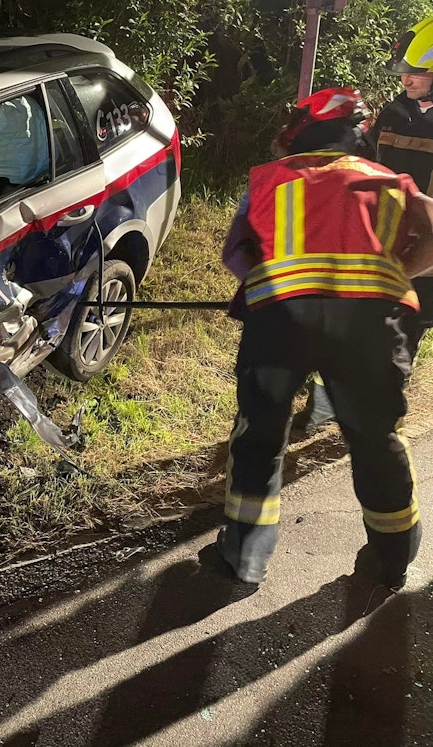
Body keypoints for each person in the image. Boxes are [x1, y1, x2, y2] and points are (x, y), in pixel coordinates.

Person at [217, 87, 433, 589]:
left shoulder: (270, 180)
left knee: (261, 435)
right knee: (376, 439)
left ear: (301, 131)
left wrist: (270, 282)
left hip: (281, 322)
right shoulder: (391, 182)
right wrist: (400, 271)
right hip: (370, 327)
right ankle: (392, 561)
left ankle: (245, 559)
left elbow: (237, 254)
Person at [296, 16, 433, 430]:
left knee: (402, 333)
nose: (406, 80)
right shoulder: (393, 114)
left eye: (417, 73)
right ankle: (337, 399)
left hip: (427, 248)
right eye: (404, 72)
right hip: (378, 240)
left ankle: (375, 415)